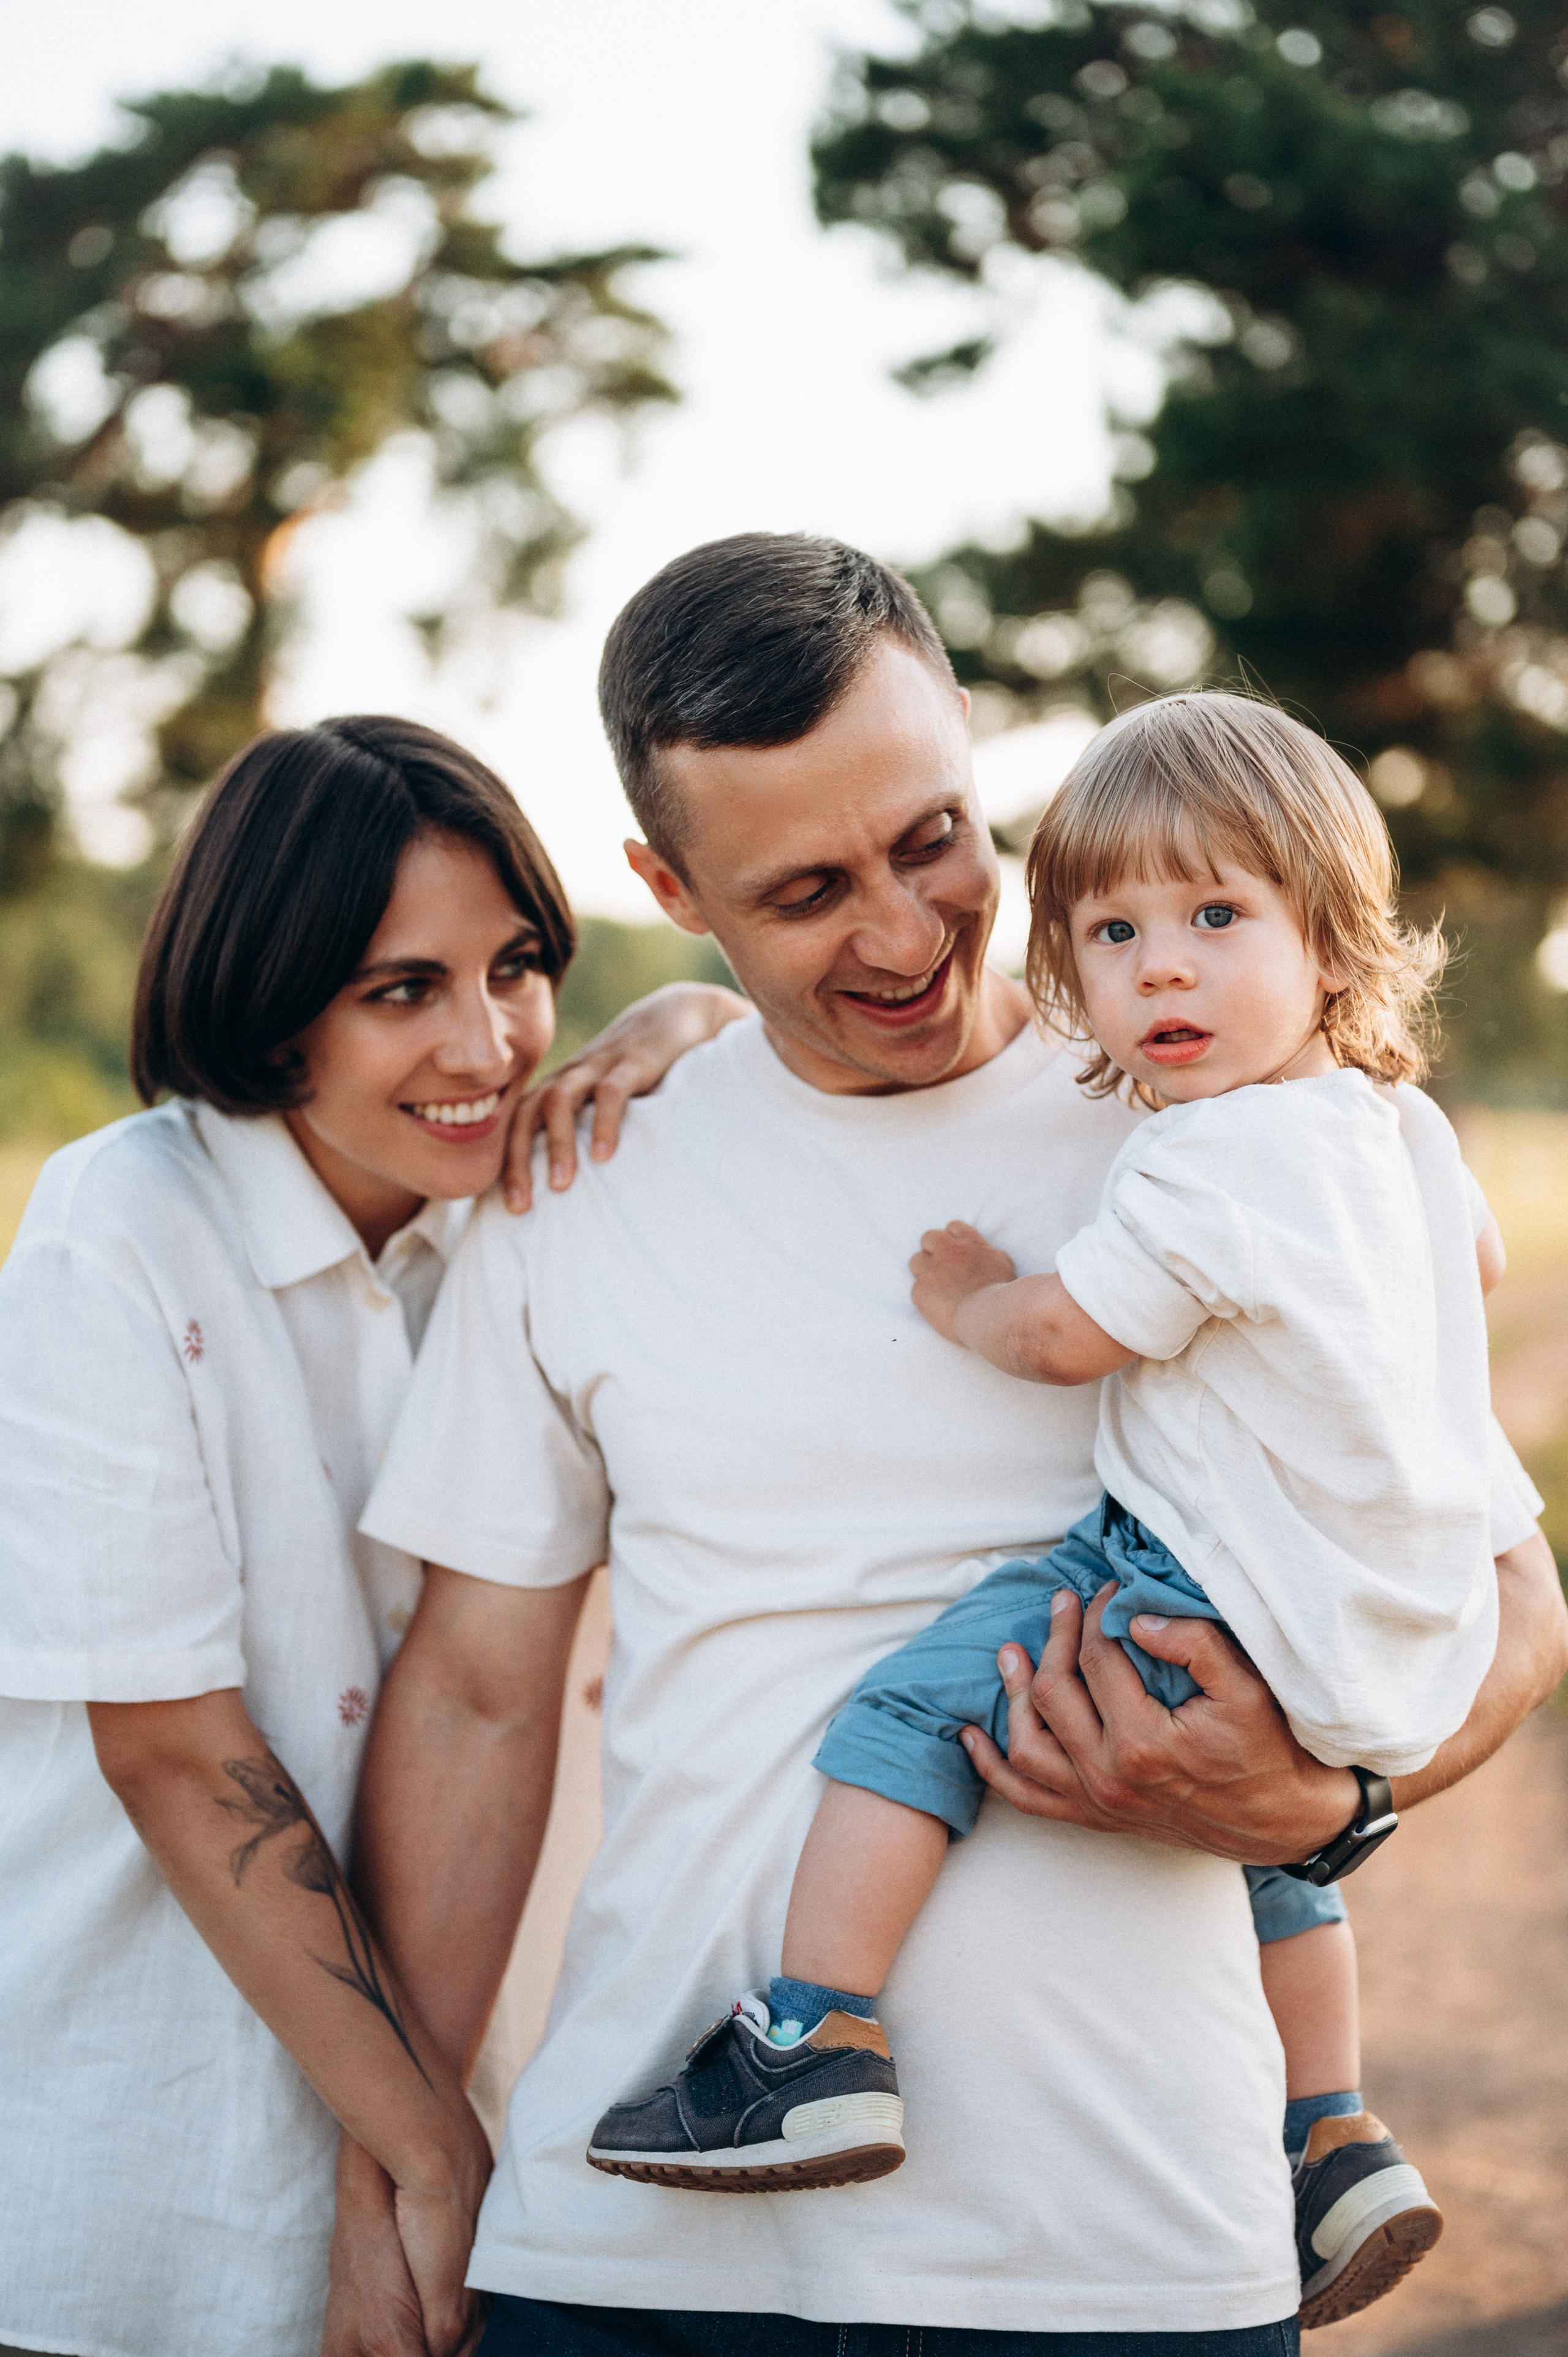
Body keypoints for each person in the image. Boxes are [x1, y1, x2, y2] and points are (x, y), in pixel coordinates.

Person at [353, 537, 1567, 2357]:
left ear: (977, 748)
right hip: (634, 2258)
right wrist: (406, 2164)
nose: (909, 934)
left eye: (933, 839)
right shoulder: (582, 1176)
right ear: (670, 886)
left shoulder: (1226, 1126)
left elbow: (1510, 1606)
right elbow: (471, 1701)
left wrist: (1326, 1807)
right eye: (808, 892)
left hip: (1135, 2244)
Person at [590, 693, 1517, 2334]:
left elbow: (1064, 1339)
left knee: (902, 1719)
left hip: (1198, 1583)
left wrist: (970, 1295)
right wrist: (688, 1019)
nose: (1161, 967)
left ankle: (814, 2045)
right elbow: (1479, 1273)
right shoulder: (1405, 1133)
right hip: (1389, 1615)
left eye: (1217, 918)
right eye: (1114, 929)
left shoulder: (1201, 1162)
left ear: (1334, 940)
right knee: (1265, 1862)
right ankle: (1332, 2130)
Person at [0, 714, 746, 2357]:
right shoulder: (116, 1233)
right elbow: (174, 1751)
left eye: (519, 968)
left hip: (464, 2100)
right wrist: (420, 2154)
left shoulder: (531, 1220)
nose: (487, 1043)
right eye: (401, 989)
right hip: (143, 2142)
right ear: (272, 1003)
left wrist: (701, 1015)